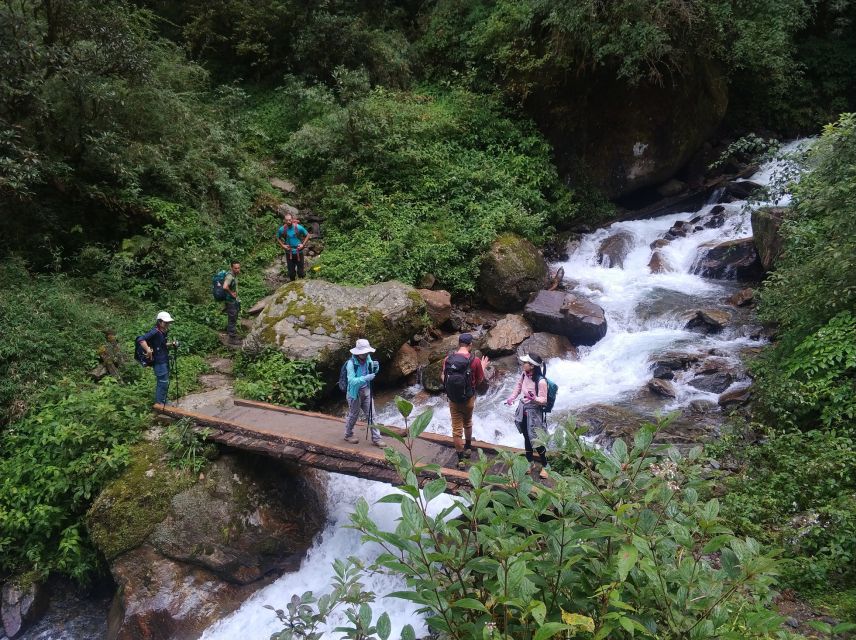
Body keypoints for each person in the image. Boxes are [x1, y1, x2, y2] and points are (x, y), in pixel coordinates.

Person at [440, 333, 489, 469]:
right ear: (470, 345)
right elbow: (479, 379)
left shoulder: (448, 359)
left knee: (456, 429)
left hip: (453, 399)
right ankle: (468, 447)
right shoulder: (475, 361)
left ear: (459, 344)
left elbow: (444, 377)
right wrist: (482, 367)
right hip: (468, 398)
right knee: (467, 422)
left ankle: (461, 460)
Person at [505, 353, 549, 479]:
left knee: (536, 439)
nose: (523, 364)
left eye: (525, 363)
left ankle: (546, 466)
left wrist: (534, 398)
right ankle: (530, 463)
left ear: (532, 366)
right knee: (526, 437)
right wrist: (512, 398)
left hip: (534, 413)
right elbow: (518, 387)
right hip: (523, 410)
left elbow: (544, 400)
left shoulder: (541, 382)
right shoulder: (524, 374)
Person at [343, 338, 385, 447]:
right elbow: (352, 381)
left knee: (372, 415)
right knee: (353, 415)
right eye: (364, 353)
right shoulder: (351, 364)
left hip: (366, 391)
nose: (366, 354)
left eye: (367, 352)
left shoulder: (368, 358)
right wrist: (366, 378)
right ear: (358, 353)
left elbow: (372, 371)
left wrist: (376, 367)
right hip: (354, 394)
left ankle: (377, 438)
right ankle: (348, 434)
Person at [138, 311, 176, 406]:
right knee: (162, 382)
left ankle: (163, 401)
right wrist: (148, 349)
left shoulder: (163, 332)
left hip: (164, 359)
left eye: (168, 322)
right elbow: (141, 339)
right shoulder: (155, 331)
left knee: (164, 381)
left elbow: (161, 344)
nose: (167, 324)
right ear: (159, 322)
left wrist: (172, 344)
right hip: (159, 361)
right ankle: (160, 403)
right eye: (165, 322)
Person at [276, 212, 311, 281]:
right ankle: (292, 287)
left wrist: (303, 245)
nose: (288, 221)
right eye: (287, 220)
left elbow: (308, 235)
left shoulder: (298, 227)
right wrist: (283, 245)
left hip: (299, 252)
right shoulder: (282, 229)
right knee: (291, 273)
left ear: (292, 219)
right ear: (284, 221)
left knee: (301, 272)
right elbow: (277, 237)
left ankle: (302, 286)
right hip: (289, 253)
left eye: (290, 220)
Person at [223, 260, 241, 343]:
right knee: (232, 318)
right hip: (230, 301)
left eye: (238, 268)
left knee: (233, 317)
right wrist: (232, 294)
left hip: (233, 301)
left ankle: (232, 335)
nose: (237, 270)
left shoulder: (234, 275)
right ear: (231, 268)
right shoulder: (230, 276)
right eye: (235, 268)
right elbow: (225, 286)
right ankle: (231, 339)